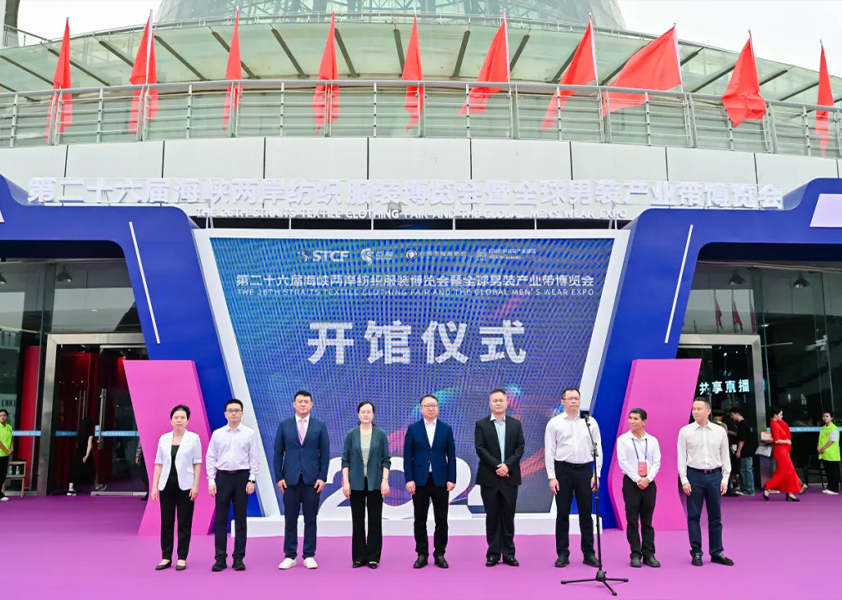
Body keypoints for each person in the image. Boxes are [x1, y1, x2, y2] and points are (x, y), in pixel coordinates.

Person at [544, 388, 601, 569]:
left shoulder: (590, 422)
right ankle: (562, 553)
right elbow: (550, 451)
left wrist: (596, 473)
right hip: (563, 470)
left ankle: (589, 553)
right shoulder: (554, 423)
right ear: (563, 401)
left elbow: (597, 449)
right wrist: (552, 477)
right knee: (562, 514)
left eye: (576, 398)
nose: (574, 401)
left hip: (584, 470)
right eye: (570, 399)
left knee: (586, 514)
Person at [274, 390, 330, 571]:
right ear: (294, 404)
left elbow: (325, 454)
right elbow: (277, 453)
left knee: (311, 519)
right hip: (289, 480)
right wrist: (279, 477)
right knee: (290, 519)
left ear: (312, 404)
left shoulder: (319, 425)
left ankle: (309, 555)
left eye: (306, 401)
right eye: (300, 401)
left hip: (312, 481)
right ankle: (290, 555)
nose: (303, 404)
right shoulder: (284, 425)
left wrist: (322, 477)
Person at [678, 398, 734, 567]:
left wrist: (725, 478)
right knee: (693, 516)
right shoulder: (685, 432)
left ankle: (716, 552)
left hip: (715, 475)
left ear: (708, 411)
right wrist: (684, 479)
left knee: (715, 516)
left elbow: (725, 456)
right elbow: (681, 457)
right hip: (694, 475)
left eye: (699, 409)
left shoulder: (719, 431)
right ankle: (696, 551)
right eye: (694, 409)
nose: (695, 412)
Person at [404, 394, 456, 569]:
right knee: (420, 519)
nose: (430, 408)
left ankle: (440, 553)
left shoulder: (446, 429)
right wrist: (409, 479)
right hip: (420, 480)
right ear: (421, 409)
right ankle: (422, 554)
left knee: (442, 519)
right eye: (427, 406)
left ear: (438, 408)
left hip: (441, 480)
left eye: (433, 405)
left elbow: (451, 456)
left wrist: (452, 478)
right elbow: (407, 456)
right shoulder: (413, 429)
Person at [206, 399, 259, 572]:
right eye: (230, 410)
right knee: (221, 519)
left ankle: (238, 558)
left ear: (242, 413)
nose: (233, 413)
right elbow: (210, 458)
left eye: (237, 410)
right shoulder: (218, 434)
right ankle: (220, 558)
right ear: (225, 414)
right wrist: (211, 480)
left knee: (240, 519)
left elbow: (254, 458)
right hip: (222, 478)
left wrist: (252, 480)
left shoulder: (249, 433)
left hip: (242, 478)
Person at [475, 389, 525, 567]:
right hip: (489, 477)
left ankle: (509, 553)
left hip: (510, 477)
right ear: (490, 403)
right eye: (494, 400)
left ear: (507, 403)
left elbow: (520, 448)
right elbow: (480, 449)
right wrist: (498, 466)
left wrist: (507, 466)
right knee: (492, 516)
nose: (498, 403)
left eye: (501, 400)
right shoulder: (481, 424)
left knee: (508, 516)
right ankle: (493, 553)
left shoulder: (515, 424)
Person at [151, 405, 202, 571]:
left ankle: (182, 557)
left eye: (183, 417)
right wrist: (154, 487)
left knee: (184, 522)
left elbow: (197, 463)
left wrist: (195, 485)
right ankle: (166, 556)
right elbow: (158, 463)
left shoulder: (193, 438)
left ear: (187, 420)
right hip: (166, 484)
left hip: (186, 485)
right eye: (176, 417)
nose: (179, 420)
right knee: (166, 522)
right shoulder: (164, 438)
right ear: (171, 420)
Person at [341, 401, 391, 569]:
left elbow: (386, 459)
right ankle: (358, 557)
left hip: (375, 482)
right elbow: (345, 460)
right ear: (358, 414)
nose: (366, 414)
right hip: (355, 482)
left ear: (373, 415)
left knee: (375, 519)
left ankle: (373, 557)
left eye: (369, 412)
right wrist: (346, 482)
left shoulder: (380, 434)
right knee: (357, 520)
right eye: (363, 411)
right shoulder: (351, 434)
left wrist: (385, 480)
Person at [616, 408, 661, 568]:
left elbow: (656, 462)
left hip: (649, 483)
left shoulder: (652, 441)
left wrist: (648, 478)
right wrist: (637, 479)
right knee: (632, 521)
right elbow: (623, 462)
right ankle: (635, 554)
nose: (632, 421)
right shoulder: (623, 440)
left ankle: (649, 554)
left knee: (647, 521)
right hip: (631, 483)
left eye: (636, 419)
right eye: (630, 418)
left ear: (644, 422)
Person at [762, 407, 803, 502]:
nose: (782, 416)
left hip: (783, 450)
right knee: (786, 471)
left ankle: (789, 492)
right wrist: (787, 441)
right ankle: (769, 487)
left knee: (785, 471)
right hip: (780, 451)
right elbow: (776, 440)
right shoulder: (774, 424)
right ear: (775, 415)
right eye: (780, 414)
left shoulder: (778, 423)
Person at [729, 407, 757, 496]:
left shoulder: (743, 424)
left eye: (732, 415)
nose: (731, 417)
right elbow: (740, 435)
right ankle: (746, 488)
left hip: (746, 451)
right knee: (745, 470)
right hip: (746, 450)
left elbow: (742, 439)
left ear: (737, 413)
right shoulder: (742, 424)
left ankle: (748, 489)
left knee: (746, 470)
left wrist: (738, 451)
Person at [68, 417, 95, 496]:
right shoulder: (90, 434)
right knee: (92, 469)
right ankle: (96, 485)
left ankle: (70, 488)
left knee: (75, 470)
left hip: (78, 453)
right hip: (85, 453)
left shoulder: (79, 434)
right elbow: (89, 445)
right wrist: (87, 455)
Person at [818, 411, 840, 495]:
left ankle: (834, 489)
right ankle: (829, 487)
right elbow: (820, 439)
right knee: (828, 472)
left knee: (833, 472)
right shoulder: (823, 428)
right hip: (824, 454)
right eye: (824, 416)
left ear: (831, 418)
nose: (825, 418)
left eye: (827, 416)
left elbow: (832, 440)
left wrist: (823, 448)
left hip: (832, 454)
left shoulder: (834, 428)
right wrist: (818, 447)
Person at [0, 409, 12, 502]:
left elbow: (11, 439)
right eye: (0, 416)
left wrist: (11, 449)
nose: (2, 417)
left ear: (7, 417)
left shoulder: (9, 427)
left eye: (4, 415)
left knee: (3, 475)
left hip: (6, 455)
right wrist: (6, 450)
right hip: (0, 453)